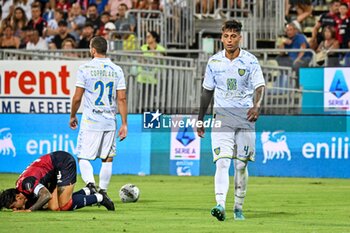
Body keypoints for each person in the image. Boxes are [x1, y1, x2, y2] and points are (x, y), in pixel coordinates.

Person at [197, 19, 265, 221]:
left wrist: (256, 105)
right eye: (226, 36)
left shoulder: (250, 61)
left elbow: (259, 86)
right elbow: (207, 91)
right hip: (222, 118)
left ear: (240, 37)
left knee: (241, 165)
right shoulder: (214, 62)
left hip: (245, 118)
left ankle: (238, 207)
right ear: (221, 37)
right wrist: (200, 118)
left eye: (233, 36)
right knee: (222, 162)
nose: (229, 40)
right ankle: (220, 204)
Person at [69, 36, 127, 207]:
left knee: (83, 157)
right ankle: (103, 191)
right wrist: (124, 123)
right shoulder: (116, 69)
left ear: (93, 49)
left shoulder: (85, 68)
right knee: (107, 159)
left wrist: (72, 115)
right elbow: (121, 98)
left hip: (91, 121)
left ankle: (91, 186)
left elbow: (77, 97)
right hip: (110, 121)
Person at [0, 151, 114, 211]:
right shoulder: (22, 188)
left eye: (13, 206)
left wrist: (29, 210)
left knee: (64, 206)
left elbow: (45, 196)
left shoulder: (27, 185)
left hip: (62, 163)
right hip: (52, 174)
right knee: (54, 207)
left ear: (18, 197)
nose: (15, 209)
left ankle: (100, 198)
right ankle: (88, 191)